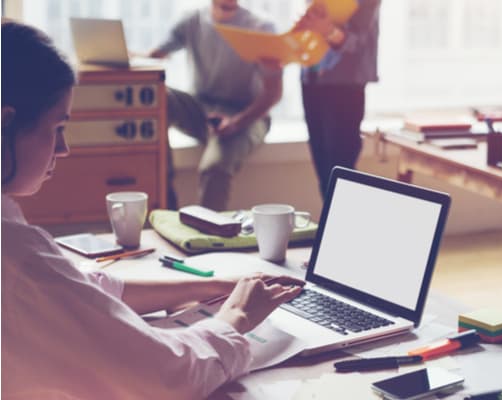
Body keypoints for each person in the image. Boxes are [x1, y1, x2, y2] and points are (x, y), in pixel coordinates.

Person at [1, 21, 304, 399]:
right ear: (6, 122)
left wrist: (210, 286)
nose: (63, 149)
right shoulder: (18, 259)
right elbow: (166, 376)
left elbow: (81, 289)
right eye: (58, 127)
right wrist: (238, 315)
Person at [149, 0, 282, 211]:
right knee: (156, 95)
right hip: (200, 109)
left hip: (245, 115)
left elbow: (274, 93)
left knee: (214, 168)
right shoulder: (192, 19)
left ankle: (208, 237)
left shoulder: (261, 27)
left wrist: (236, 123)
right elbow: (153, 57)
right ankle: (164, 206)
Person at [294, 0, 381, 196]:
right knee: (324, 171)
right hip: (312, 79)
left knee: (340, 170)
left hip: (344, 86)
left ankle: (346, 225)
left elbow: (357, 41)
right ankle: (333, 224)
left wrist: (328, 30)